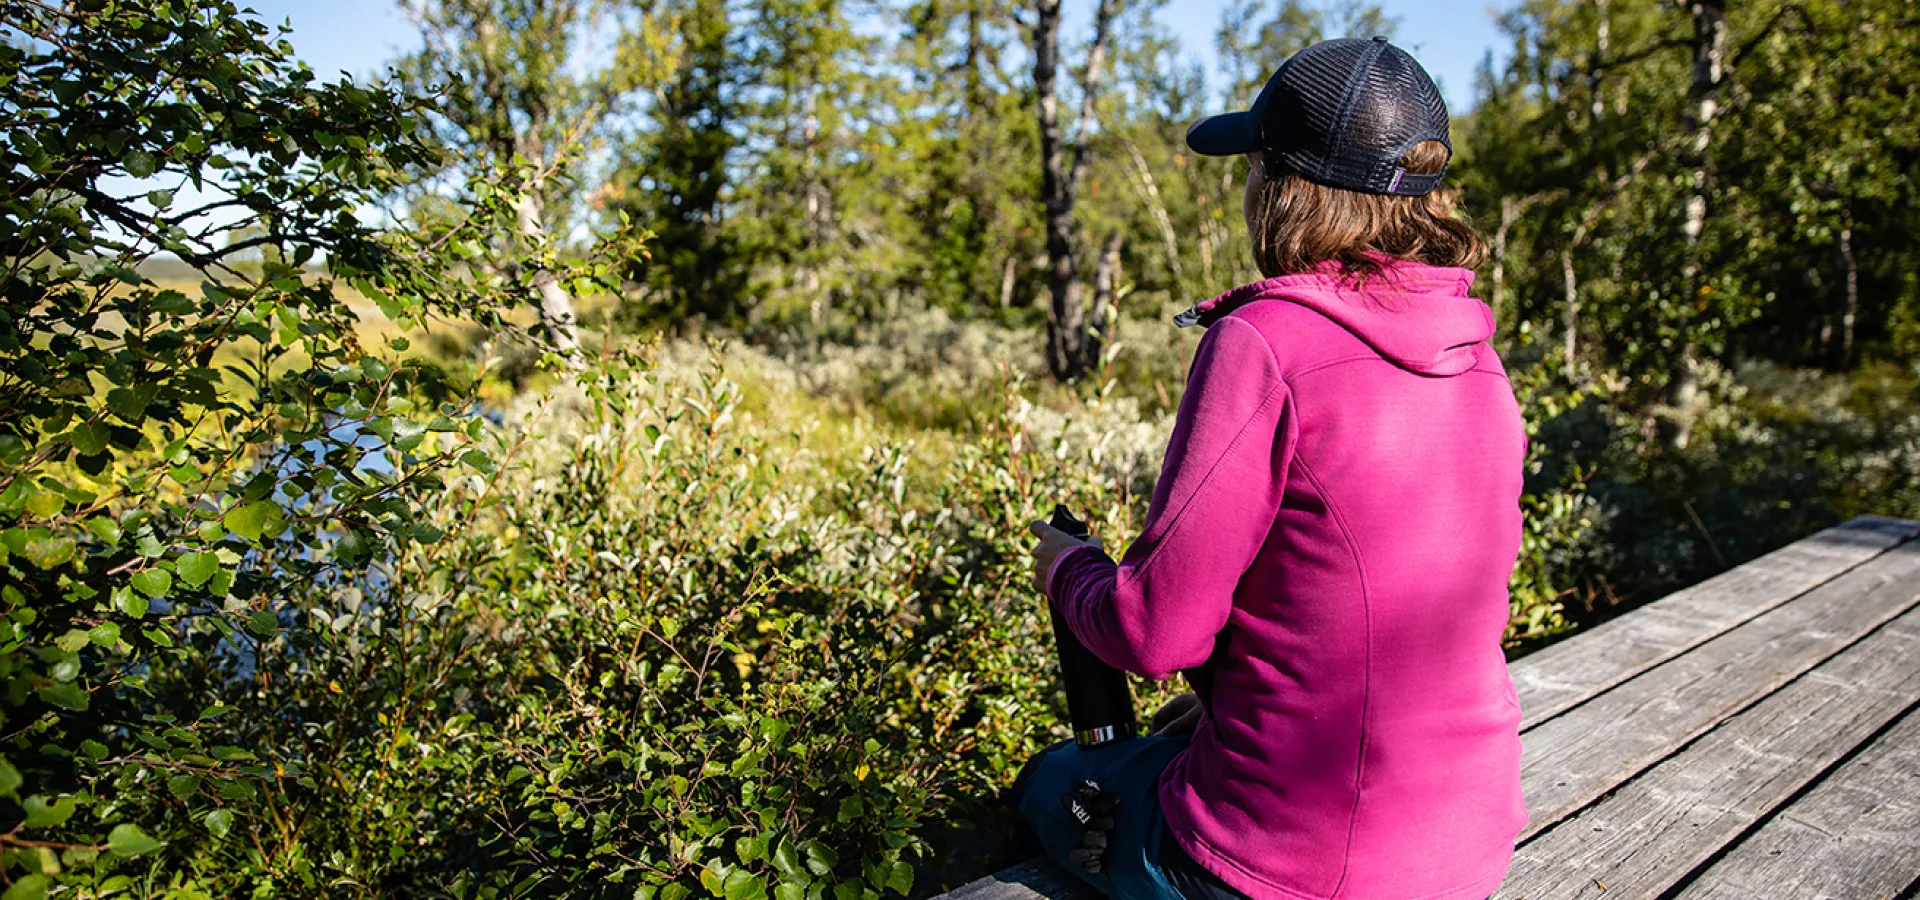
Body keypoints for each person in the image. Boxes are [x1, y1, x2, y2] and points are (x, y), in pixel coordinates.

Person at [1016, 36, 1528, 900]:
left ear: (1283, 187)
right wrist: (1222, 708)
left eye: (1254, 167)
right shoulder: (1480, 360)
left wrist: (1067, 570)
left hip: (1292, 868)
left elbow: (1152, 633)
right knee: (1163, 753)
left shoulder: (1264, 343)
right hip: (1470, 845)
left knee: (1049, 787)